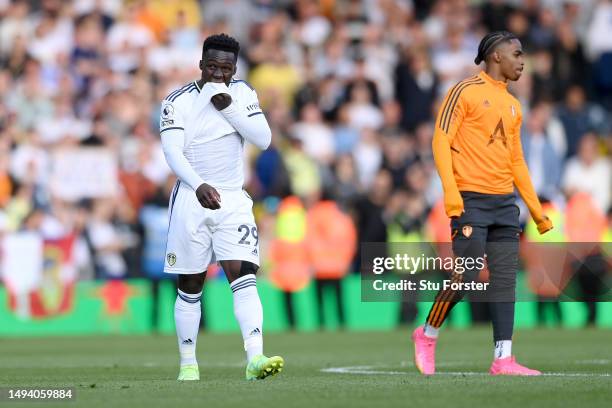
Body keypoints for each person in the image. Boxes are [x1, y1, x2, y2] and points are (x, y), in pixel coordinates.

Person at [411, 31, 553, 376]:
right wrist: (451, 192)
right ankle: (427, 333)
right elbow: (440, 140)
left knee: (505, 280)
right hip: (470, 200)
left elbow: (516, 161)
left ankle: (503, 359)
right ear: (496, 56)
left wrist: (535, 211)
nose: (522, 60)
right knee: (468, 273)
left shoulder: (514, 105)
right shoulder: (465, 91)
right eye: (517, 53)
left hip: (505, 203)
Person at [159, 33, 283, 381]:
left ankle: (255, 359)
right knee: (191, 284)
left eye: (225, 68)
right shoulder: (176, 101)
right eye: (211, 66)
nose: (217, 74)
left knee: (243, 276)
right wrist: (198, 184)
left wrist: (227, 105)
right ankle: (188, 363)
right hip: (191, 197)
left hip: (232, 198)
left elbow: (264, 139)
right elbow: (172, 152)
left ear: (234, 68)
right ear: (200, 64)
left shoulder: (242, 93)